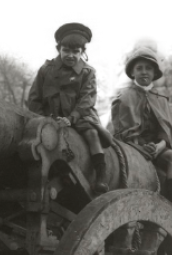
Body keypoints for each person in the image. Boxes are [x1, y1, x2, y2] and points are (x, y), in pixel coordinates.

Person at [26, 22, 114, 193]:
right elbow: (35, 98)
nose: (71, 55)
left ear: (82, 52)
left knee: (92, 134)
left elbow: (86, 100)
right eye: (66, 50)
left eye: (76, 51)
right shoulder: (46, 70)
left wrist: (71, 118)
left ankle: (101, 174)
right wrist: (42, 118)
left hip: (80, 116)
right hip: (49, 116)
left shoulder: (88, 72)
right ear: (58, 49)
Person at [109, 40, 172, 202]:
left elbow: (167, 131)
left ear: (154, 73)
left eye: (148, 68)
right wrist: (142, 146)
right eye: (139, 68)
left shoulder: (161, 98)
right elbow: (121, 132)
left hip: (159, 150)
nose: (144, 72)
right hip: (134, 149)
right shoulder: (124, 97)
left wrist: (159, 146)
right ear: (132, 73)